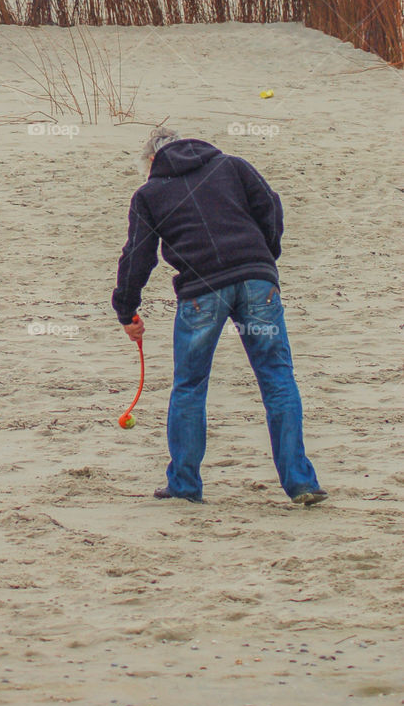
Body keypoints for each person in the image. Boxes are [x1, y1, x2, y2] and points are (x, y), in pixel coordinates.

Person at [112, 126, 326, 506]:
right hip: (257, 283)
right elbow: (270, 208)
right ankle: (301, 482)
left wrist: (126, 309)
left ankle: (184, 484)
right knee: (277, 378)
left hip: (201, 292)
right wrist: (264, 258)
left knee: (190, 386)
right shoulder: (232, 166)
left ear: (151, 160)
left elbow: (138, 255)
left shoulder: (150, 192)